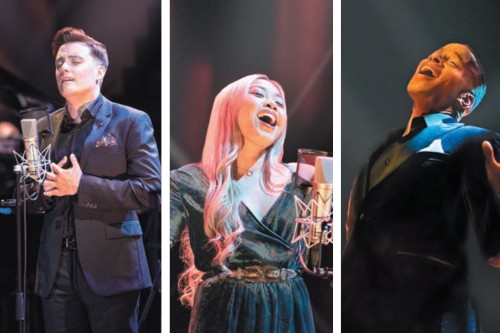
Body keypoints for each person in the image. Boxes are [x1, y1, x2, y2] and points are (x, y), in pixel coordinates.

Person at [342, 43, 500, 332]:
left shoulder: (476, 141)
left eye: (450, 62)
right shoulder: (381, 151)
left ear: (465, 101)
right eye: (433, 55)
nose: (434, 58)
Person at [28, 27, 161, 332]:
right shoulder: (44, 126)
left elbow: (151, 191)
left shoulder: (130, 120)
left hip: (112, 268)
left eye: (75, 61)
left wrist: (81, 186)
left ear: (100, 71)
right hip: (56, 268)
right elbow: (32, 197)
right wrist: (44, 192)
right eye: (59, 63)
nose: (64, 68)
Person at [170, 74, 316, 332]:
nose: (272, 105)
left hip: (287, 312)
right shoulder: (189, 182)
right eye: (259, 94)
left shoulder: (303, 179)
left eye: (279, 102)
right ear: (228, 108)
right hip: (225, 313)